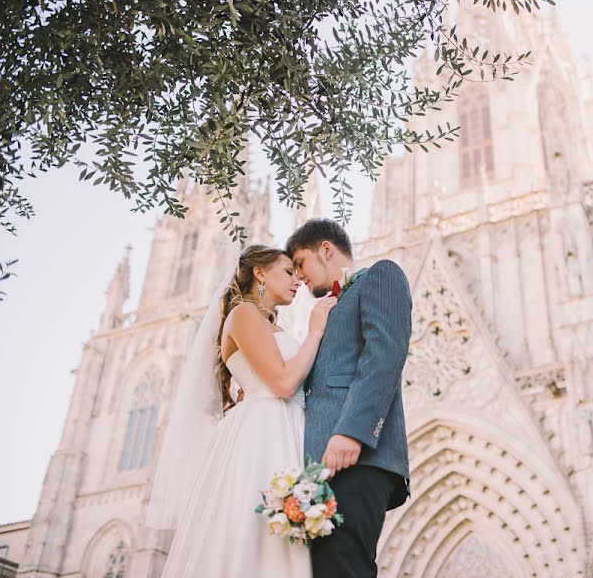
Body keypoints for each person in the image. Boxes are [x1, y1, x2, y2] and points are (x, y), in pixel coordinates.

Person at [146, 244, 336, 577]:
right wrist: (316, 330)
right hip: (263, 432)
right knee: (255, 538)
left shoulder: (268, 325)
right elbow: (283, 383)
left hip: (286, 425)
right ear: (260, 273)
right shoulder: (244, 314)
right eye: (288, 271)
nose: (297, 280)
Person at [286, 219, 412, 578]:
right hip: (319, 468)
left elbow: (384, 356)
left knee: (346, 567)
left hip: (357, 458)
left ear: (326, 250)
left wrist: (353, 432)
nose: (299, 276)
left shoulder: (380, 276)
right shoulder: (325, 310)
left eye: (300, 263)